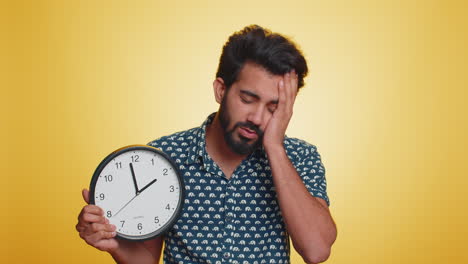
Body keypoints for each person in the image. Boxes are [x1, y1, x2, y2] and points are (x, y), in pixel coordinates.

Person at [76, 25, 337, 264]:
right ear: (221, 90)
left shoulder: (300, 156)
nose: (257, 118)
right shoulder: (165, 157)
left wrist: (275, 148)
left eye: (273, 107)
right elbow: (146, 257)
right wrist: (113, 244)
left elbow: (316, 249)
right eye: (247, 99)